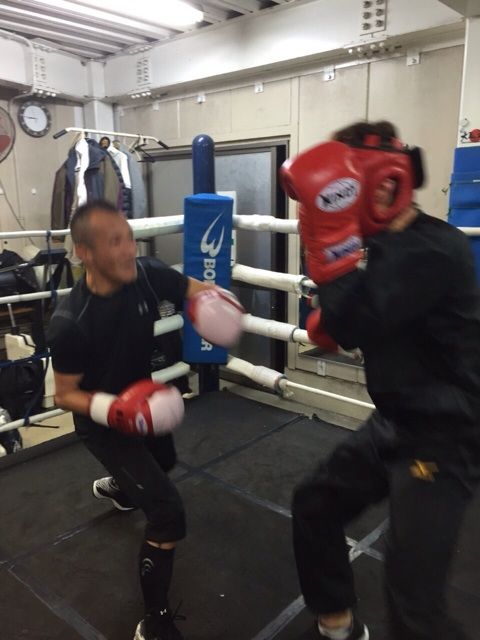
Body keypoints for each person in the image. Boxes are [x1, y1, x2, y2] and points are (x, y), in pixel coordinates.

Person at [280, 121, 480, 640]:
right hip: (395, 422)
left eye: (343, 190)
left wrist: (329, 245)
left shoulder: (433, 249)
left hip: (444, 436)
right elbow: (358, 319)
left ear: (384, 182)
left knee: (413, 601)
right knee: (314, 503)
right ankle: (338, 625)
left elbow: (351, 323)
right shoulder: (388, 247)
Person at [47, 199, 243, 640]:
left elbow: (195, 289)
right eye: (114, 242)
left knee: (164, 463)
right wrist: (114, 409)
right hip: (103, 422)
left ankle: (122, 488)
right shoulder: (70, 322)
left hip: (145, 403)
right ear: (85, 253)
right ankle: (154, 623)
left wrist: (218, 305)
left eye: (129, 238)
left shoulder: (148, 275)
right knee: (167, 513)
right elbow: (64, 394)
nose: (127, 250)